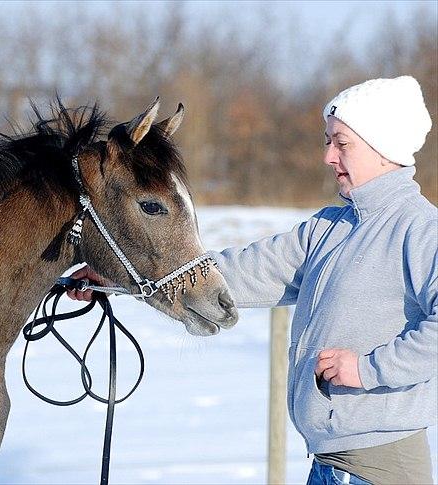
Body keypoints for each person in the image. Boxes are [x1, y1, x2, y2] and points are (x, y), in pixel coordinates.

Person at [69, 75, 437, 484]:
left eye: (342, 143)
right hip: (330, 465)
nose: (328, 156)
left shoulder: (420, 230)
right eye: (328, 141)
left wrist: (368, 370)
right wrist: (123, 281)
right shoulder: (332, 228)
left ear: (383, 147)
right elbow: (240, 272)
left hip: (380, 468)